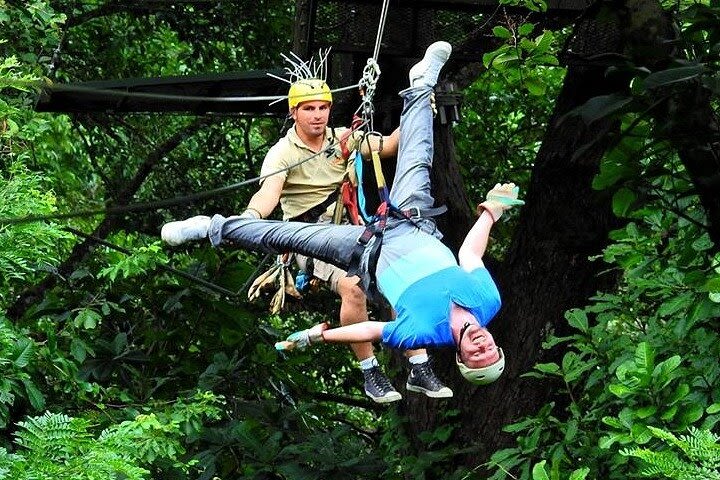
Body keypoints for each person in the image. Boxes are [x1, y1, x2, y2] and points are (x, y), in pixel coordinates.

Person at [161, 40, 523, 387]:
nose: (482, 346)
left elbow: (369, 330)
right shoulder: (489, 300)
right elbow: (469, 254)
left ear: (462, 356)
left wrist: (319, 337)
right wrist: (491, 212)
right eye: (490, 349)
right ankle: (421, 82)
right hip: (414, 223)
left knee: (282, 236)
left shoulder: (422, 331)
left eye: (477, 356)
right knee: (418, 157)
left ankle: (209, 227)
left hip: (368, 247)